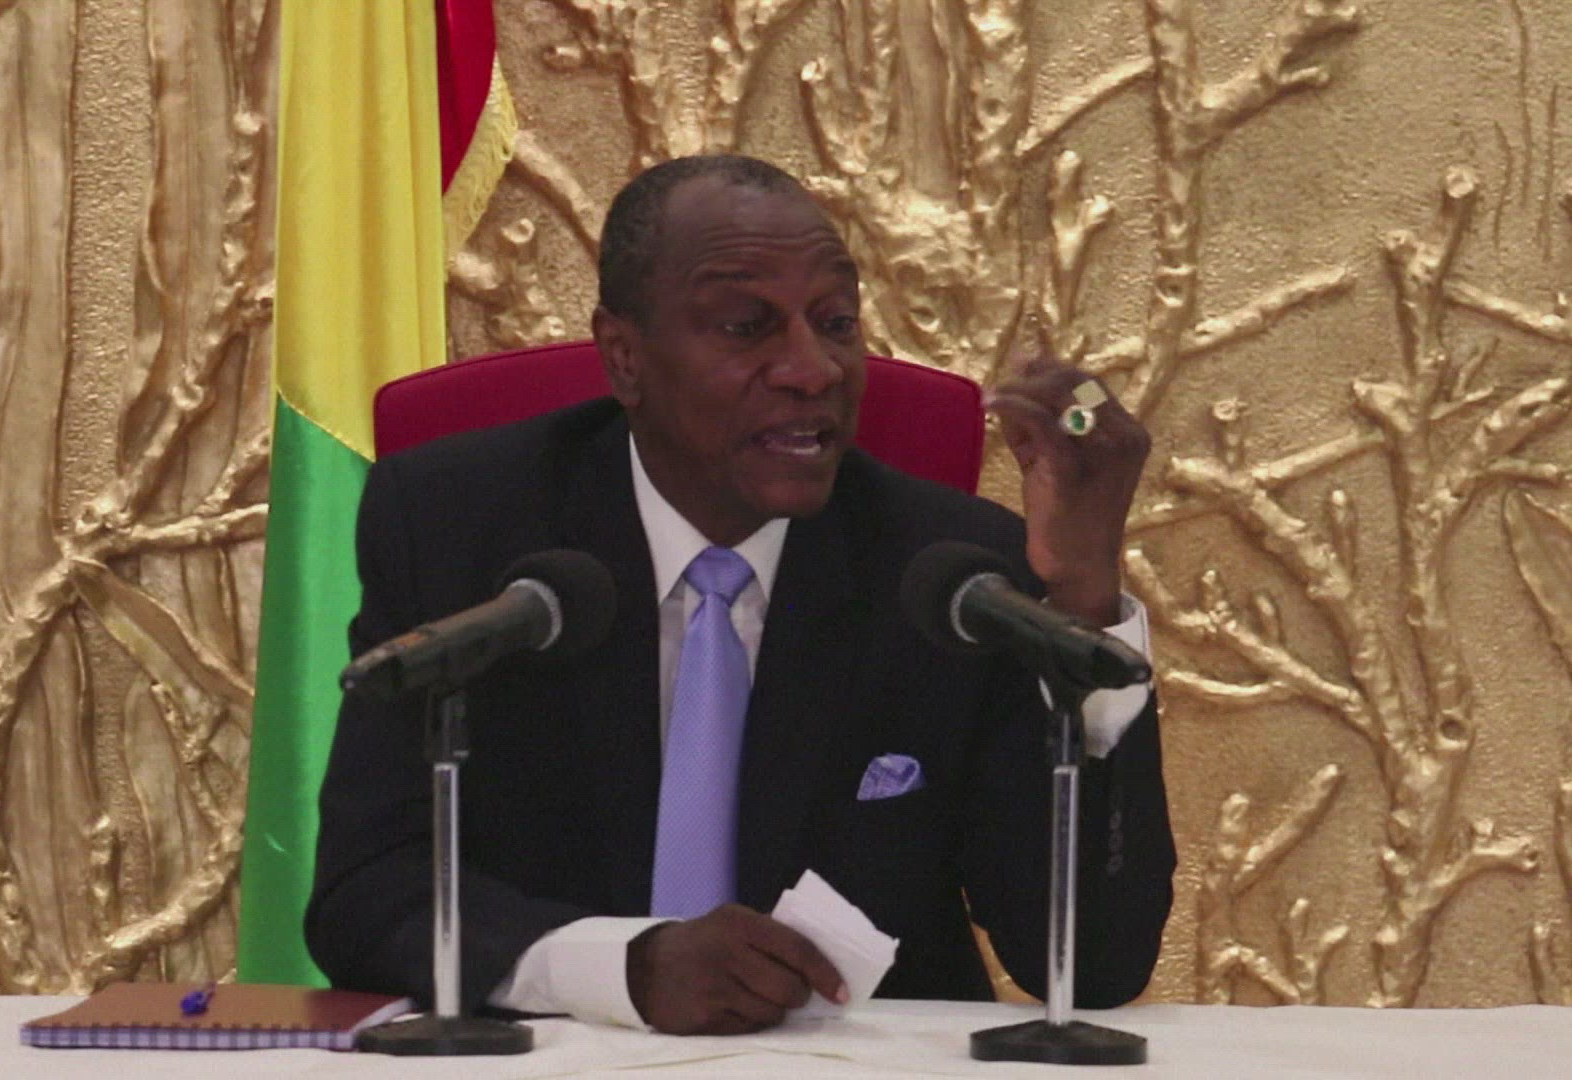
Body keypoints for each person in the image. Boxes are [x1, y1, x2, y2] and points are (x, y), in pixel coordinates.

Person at [306, 154, 1174, 1036]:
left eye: (836, 322)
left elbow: (1095, 962)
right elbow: (365, 892)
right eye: (745, 327)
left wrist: (1083, 598)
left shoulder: (949, 573)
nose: (813, 369)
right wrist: (623, 966)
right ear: (625, 357)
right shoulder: (459, 529)